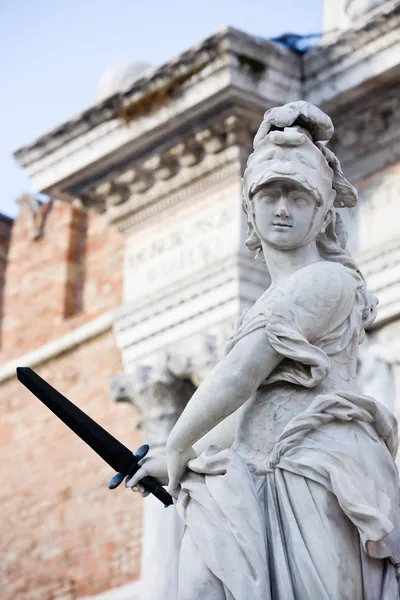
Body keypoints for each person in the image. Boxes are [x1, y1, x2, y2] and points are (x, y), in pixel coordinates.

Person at [126, 102, 400, 599]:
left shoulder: (326, 280)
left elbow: (238, 375)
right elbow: (253, 408)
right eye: (270, 194)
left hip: (311, 472)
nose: (282, 209)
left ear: (322, 214)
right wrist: (178, 460)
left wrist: (177, 442)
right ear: (249, 207)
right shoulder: (269, 300)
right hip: (257, 471)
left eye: (298, 198)